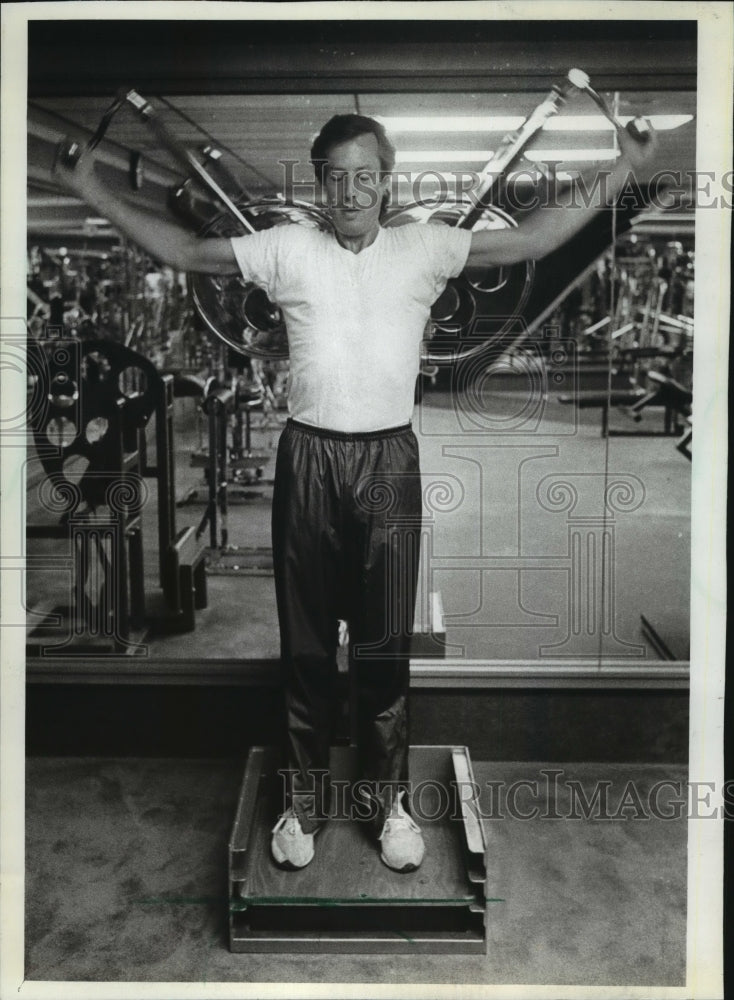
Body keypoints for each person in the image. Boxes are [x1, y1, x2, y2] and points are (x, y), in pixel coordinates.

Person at [56, 111, 656, 873]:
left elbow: (533, 239)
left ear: (386, 181)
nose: (350, 192)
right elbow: (184, 249)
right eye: (335, 178)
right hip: (308, 458)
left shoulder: (425, 246)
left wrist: (625, 169)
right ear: (319, 184)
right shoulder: (286, 248)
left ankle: (388, 802)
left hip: (388, 462)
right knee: (307, 645)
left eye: (365, 176)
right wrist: (90, 186)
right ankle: (302, 802)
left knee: (384, 646)